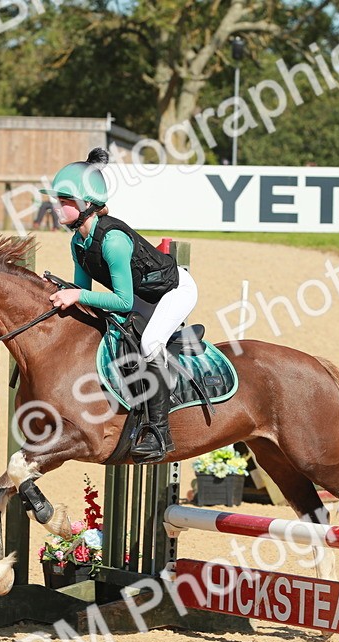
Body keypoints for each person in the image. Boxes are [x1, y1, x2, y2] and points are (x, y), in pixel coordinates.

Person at [43, 148, 195, 463]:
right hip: (143, 296)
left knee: (151, 343)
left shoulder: (112, 239)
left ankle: (159, 434)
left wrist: (76, 295)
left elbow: (122, 301)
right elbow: (82, 292)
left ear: (86, 205)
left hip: (173, 291)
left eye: (65, 201)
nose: (57, 206)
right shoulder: (79, 242)